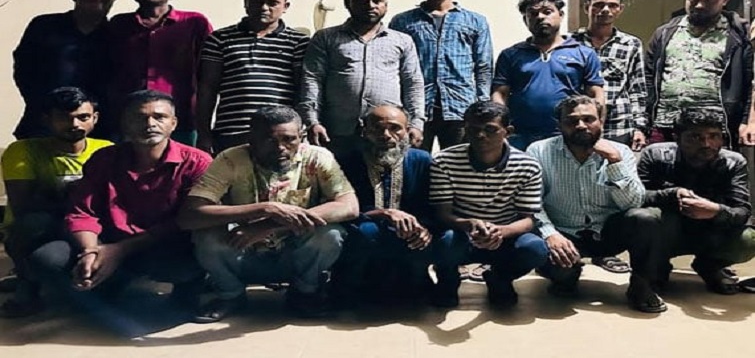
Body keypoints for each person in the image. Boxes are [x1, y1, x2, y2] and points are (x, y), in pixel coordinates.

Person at [28, 90, 211, 317]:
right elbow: (82, 211)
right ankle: (108, 281)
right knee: (47, 259)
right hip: (107, 242)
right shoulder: (104, 159)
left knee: (186, 262)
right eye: (139, 117)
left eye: (159, 117)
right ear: (124, 124)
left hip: (161, 244)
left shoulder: (196, 162)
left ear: (173, 123)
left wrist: (121, 250)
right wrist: (90, 251)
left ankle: (187, 290)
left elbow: (185, 221)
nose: (150, 124)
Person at [178, 106, 358, 322]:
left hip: (295, 254)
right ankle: (230, 295)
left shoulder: (318, 157)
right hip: (243, 250)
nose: (280, 147)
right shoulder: (230, 159)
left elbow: (349, 206)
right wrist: (264, 208)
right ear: (251, 139)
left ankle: (304, 293)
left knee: (330, 235)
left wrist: (269, 224)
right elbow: (190, 216)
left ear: (301, 136)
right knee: (207, 236)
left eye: (289, 139)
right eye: (269, 140)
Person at [527, 95, 665, 313]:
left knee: (645, 218)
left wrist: (614, 161)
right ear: (559, 125)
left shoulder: (621, 152)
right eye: (572, 121)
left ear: (601, 120)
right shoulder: (539, 151)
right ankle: (565, 275)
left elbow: (633, 203)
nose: (581, 125)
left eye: (588, 119)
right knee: (561, 273)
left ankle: (641, 285)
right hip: (563, 232)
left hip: (608, 232)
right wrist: (550, 234)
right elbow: (531, 202)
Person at [0, 87, 112, 317]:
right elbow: (24, 205)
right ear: (46, 119)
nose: (75, 124)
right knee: (32, 224)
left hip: (90, 227)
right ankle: (27, 284)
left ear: (95, 118)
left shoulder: (107, 149)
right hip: (46, 229)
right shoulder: (23, 150)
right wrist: (82, 201)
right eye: (64, 118)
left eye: (83, 117)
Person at [430, 101, 548, 308]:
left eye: (490, 129)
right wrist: (469, 224)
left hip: (505, 236)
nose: (480, 135)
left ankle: (499, 278)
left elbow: (528, 219)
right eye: (473, 129)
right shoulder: (444, 161)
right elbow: (442, 214)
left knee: (534, 249)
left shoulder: (527, 165)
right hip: (461, 234)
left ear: (508, 131)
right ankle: (448, 280)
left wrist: (500, 232)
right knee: (444, 240)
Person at [299, 0, 425, 155]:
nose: (370, 5)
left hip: (386, 133)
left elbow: (413, 83)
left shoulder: (402, 41)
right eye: (362, 0)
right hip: (337, 131)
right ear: (347, 4)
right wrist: (313, 122)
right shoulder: (326, 38)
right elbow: (312, 79)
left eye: (376, 1)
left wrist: (416, 124)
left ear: (386, 5)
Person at [639, 108, 755, 294]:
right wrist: (672, 194)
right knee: (643, 218)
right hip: (667, 230)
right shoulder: (655, 155)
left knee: (748, 239)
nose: (706, 144)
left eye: (714, 136)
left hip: (710, 230)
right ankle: (656, 267)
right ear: (677, 138)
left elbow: (742, 211)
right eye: (695, 137)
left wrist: (715, 210)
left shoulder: (734, 162)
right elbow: (635, 199)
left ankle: (709, 266)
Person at [389, 0, 493, 151]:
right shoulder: (403, 22)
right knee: (414, 162)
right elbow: (394, 66)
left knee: (459, 162)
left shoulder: (475, 21)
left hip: (461, 107)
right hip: (415, 109)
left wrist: (482, 105)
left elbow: (484, 66)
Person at [196, 0, 309, 154]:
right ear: (246, 1)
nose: (264, 7)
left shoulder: (299, 42)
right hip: (231, 133)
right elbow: (207, 89)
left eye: (272, 3)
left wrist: (301, 129)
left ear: (285, 6)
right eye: (257, 1)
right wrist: (203, 134)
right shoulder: (219, 39)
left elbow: (302, 90)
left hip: (279, 136)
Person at [334, 105, 434, 303]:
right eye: (377, 129)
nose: (386, 135)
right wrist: (383, 213)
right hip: (364, 233)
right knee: (366, 231)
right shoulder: (348, 161)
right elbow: (339, 207)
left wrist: (425, 228)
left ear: (407, 131)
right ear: (365, 131)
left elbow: (433, 206)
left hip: (409, 235)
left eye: (395, 128)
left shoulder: (422, 160)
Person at [108, 0, 213, 145]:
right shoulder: (120, 25)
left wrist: (204, 124)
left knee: (182, 162)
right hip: (131, 120)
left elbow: (209, 73)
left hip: (181, 119)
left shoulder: (194, 23)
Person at [646, 0, 755, 147]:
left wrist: (747, 122)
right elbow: (647, 79)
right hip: (666, 125)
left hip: (716, 130)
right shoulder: (665, 33)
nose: (699, 5)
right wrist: (644, 122)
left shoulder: (738, 36)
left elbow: (749, 84)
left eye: (709, 0)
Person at [12, 0, 120, 139]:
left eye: (105, 2)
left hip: (99, 127)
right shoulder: (44, 27)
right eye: (89, 0)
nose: (98, 8)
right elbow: (24, 70)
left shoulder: (117, 34)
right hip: (44, 124)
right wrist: (46, 107)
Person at [492, 0, 605, 151]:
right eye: (533, 13)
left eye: (547, 12)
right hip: (520, 135)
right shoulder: (510, 55)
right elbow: (500, 94)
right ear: (525, 20)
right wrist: (501, 128)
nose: (540, 17)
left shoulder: (583, 53)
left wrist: (596, 130)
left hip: (568, 134)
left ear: (561, 15)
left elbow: (596, 94)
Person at [571, 0, 648, 149]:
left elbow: (637, 89)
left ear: (620, 9)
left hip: (619, 124)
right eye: (599, 5)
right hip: (579, 122)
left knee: (617, 164)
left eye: (612, 5)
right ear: (587, 7)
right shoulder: (570, 43)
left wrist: (639, 128)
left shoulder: (631, 44)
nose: (605, 10)